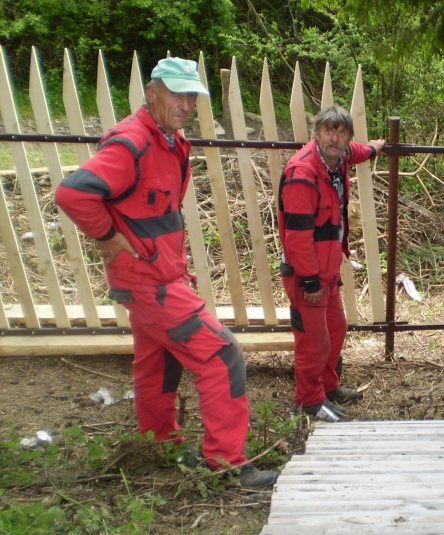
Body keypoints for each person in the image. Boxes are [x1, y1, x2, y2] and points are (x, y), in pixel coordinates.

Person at [54, 57, 278, 488]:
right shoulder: (132, 143)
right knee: (221, 354)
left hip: (160, 278)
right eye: (177, 93)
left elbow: (153, 212)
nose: (186, 104)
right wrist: (107, 238)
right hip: (146, 284)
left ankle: (161, 445)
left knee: (158, 363)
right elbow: (73, 193)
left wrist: (168, 263)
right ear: (152, 91)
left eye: (191, 95)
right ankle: (225, 460)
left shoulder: (174, 144)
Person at [278, 105, 385, 421]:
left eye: (341, 132)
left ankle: (327, 386)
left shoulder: (338, 157)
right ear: (317, 134)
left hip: (327, 268)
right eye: (328, 131)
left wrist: (375, 149)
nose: (335, 138)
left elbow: (358, 151)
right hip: (305, 273)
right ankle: (309, 400)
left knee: (335, 329)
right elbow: (296, 239)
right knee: (314, 341)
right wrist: (309, 280)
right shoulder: (303, 174)